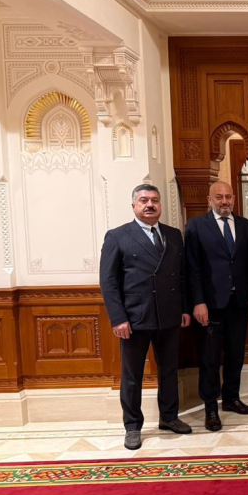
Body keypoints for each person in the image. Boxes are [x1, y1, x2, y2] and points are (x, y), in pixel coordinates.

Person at [99, 184, 192, 450]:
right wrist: (118, 318)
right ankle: (132, 426)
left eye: (154, 200)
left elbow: (182, 275)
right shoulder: (118, 236)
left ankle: (169, 417)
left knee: (169, 371)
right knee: (132, 376)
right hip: (134, 318)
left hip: (169, 315)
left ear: (160, 205)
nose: (150, 204)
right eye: (144, 200)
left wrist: (184, 308)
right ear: (134, 206)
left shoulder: (173, 235)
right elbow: (108, 281)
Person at [184, 182, 248, 432]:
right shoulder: (196, 226)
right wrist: (198, 302)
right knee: (209, 358)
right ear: (210, 200)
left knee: (235, 353)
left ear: (234, 199)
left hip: (239, 303)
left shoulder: (245, 226)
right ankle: (211, 407)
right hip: (210, 305)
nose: (224, 201)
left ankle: (231, 398)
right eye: (219, 197)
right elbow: (192, 268)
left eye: (228, 197)